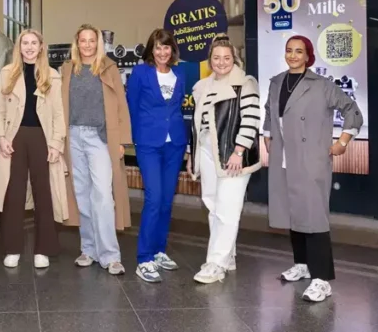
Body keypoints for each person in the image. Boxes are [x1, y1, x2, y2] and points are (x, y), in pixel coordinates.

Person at [263, 35, 363, 303]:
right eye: (289, 50)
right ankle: (303, 265)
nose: (293, 55)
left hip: (310, 158)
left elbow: (352, 110)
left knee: (314, 217)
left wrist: (343, 141)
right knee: (293, 212)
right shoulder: (276, 83)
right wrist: (267, 133)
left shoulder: (322, 85)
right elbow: (270, 113)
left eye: (299, 51)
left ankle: (322, 279)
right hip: (284, 156)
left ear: (308, 56)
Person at [187, 34, 262, 284]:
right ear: (210, 59)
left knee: (227, 210)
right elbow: (197, 125)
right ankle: (227, 256)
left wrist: (239, 151)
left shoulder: (245, 84)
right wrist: (192, 155)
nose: (221, 62)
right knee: (212, 206)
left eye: (226, 58)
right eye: (216, 58)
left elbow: (251, 120)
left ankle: (215, 263)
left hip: (232, 154)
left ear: (234, 58)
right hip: (208, 151)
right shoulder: (201, 87)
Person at [0, 29, 68, 268]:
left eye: (33, 43)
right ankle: (12, 248)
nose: (29, 47)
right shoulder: (6, 74)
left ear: (41, 46)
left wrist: (56, 143)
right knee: (12, 193)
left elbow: (58, 114)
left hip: (42, 138)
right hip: (14, 137)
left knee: (44, 193)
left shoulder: (52, 76)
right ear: (19, 47)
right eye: (25, 43)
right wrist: (1, 137)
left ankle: (43, 249)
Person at [61, 24, 131, 275]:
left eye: (92, 40)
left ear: (98, 43)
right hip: (74, 137)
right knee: (82, 194)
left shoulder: (109, 68)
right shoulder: (68, 69)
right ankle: (88, 249)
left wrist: (122, 140)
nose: (88, 45)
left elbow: (121, 105)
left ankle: (111, 255)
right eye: (83, 40)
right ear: (77, 43)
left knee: (102, 195)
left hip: (100, 138)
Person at [126, 28, 187, 283]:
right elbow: (131, 105)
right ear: (151, 50)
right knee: (153, 198)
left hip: (175, 143)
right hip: (148, 143)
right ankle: (144, 259)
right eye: (158, 47)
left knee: (166, 201)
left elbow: (178, 106)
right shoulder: (141, 73)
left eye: (167, 47)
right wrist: (131, 139)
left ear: (172, 50)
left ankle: (160, 251)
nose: (162, 52)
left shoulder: (180, 74)